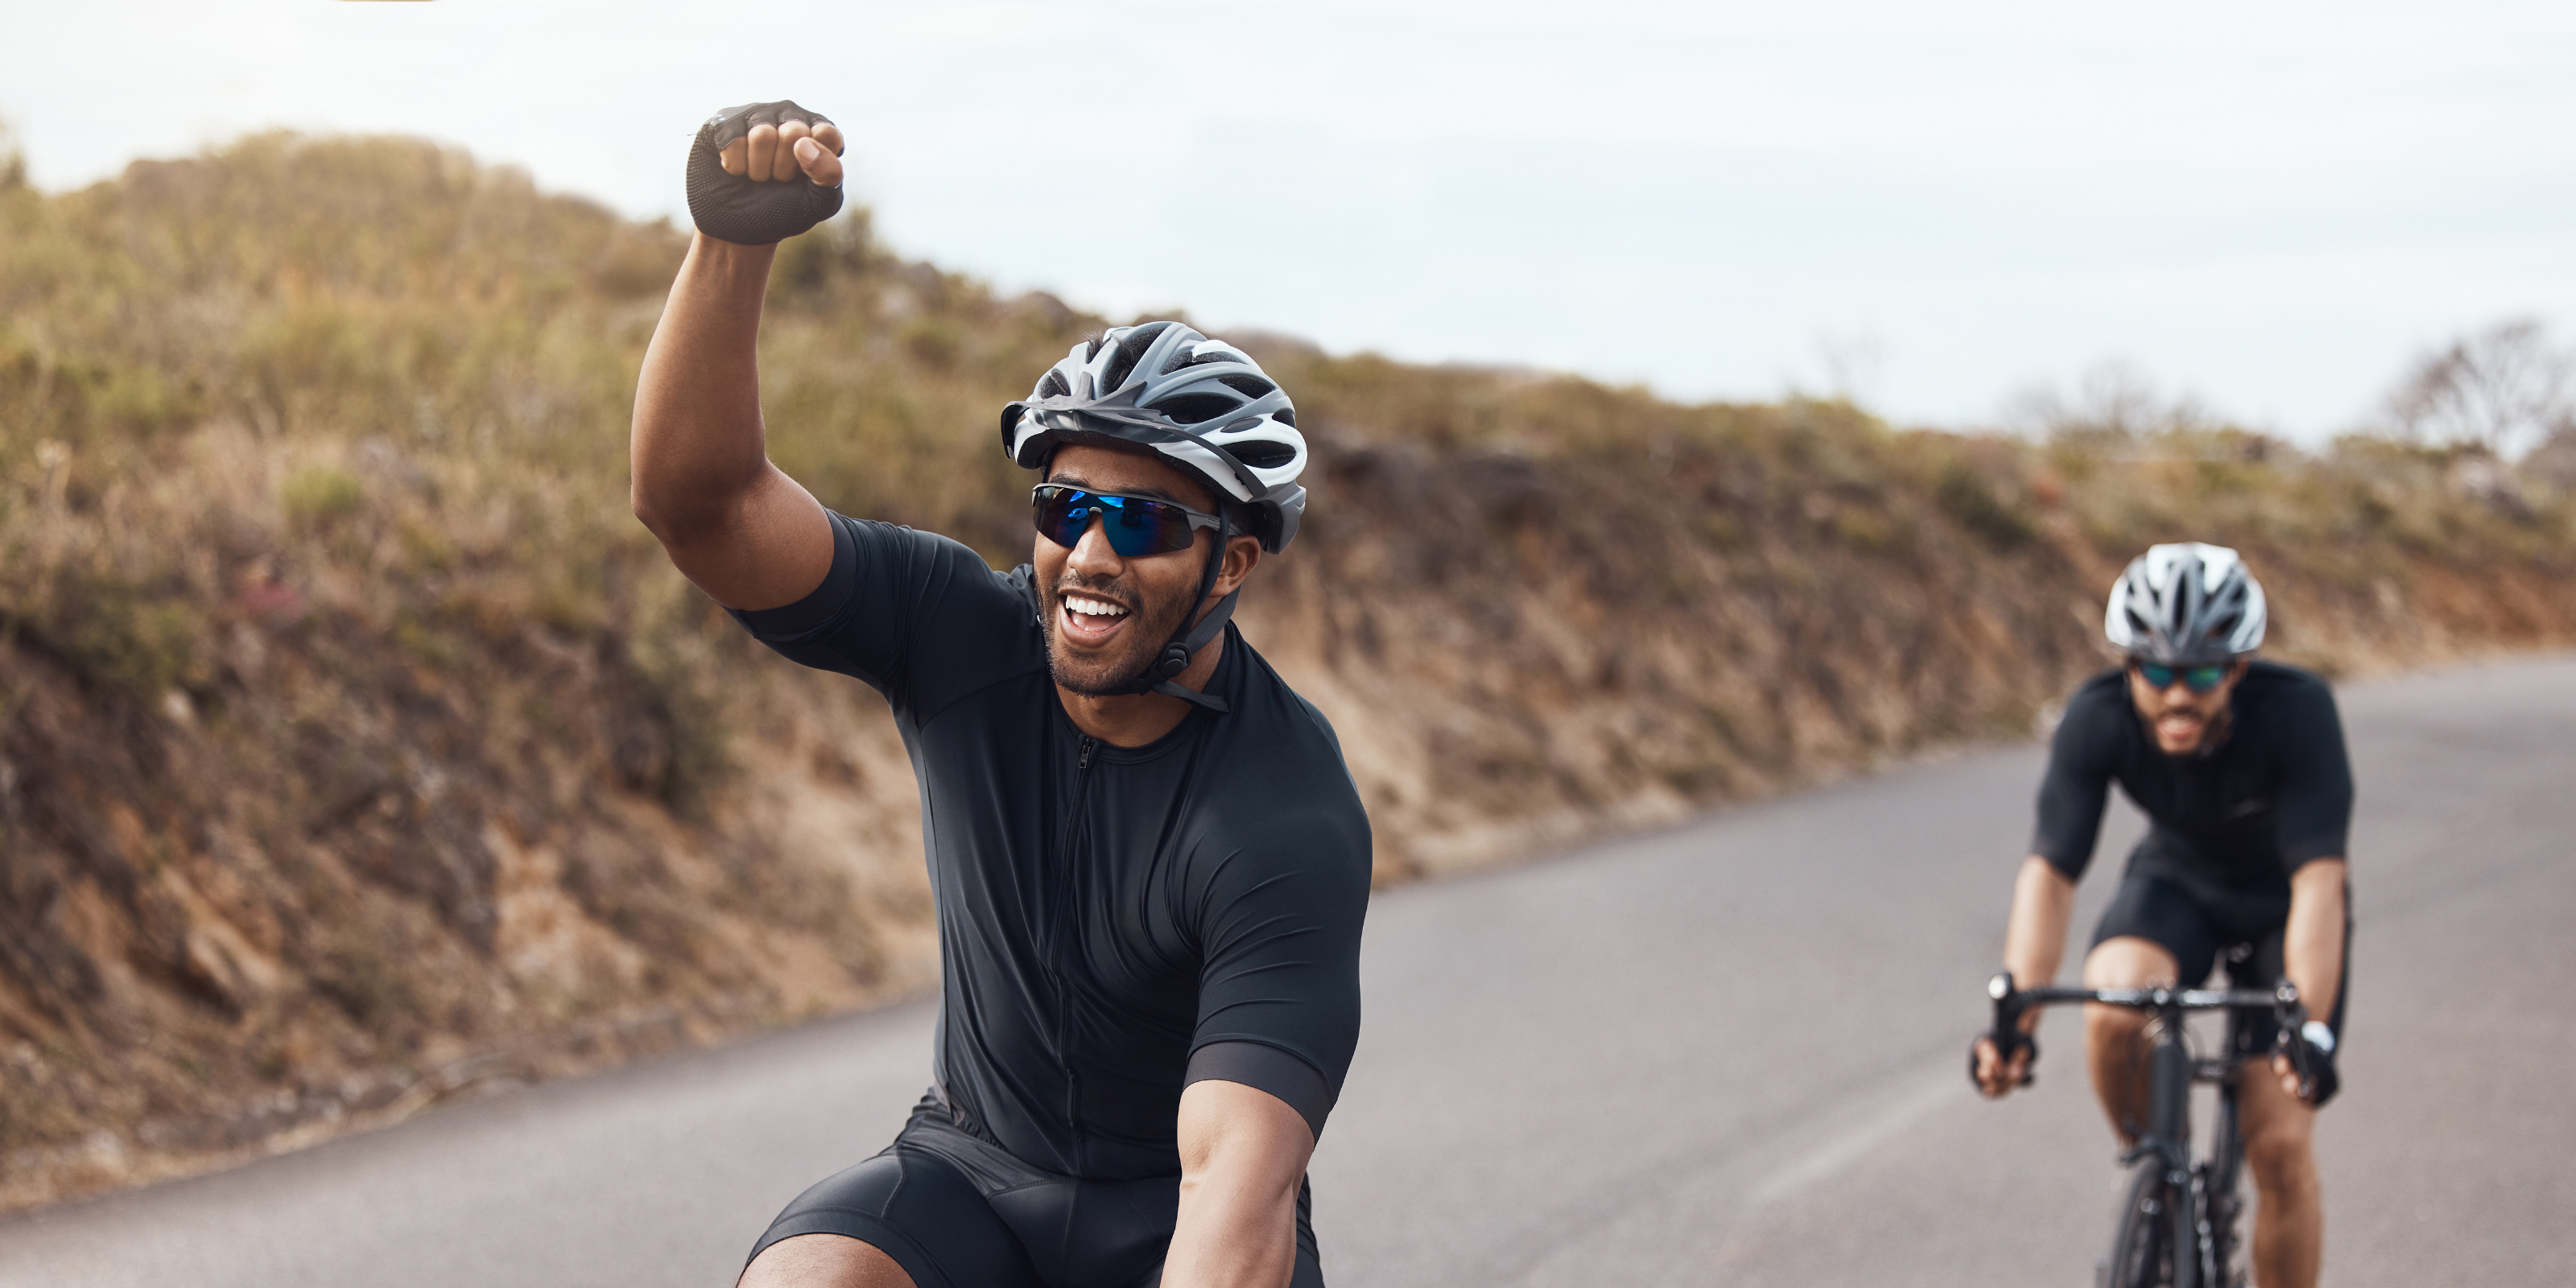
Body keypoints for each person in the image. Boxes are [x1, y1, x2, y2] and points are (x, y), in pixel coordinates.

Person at [630, 101, 1372, 1288]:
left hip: (1171, 1225)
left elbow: (1237, 1184)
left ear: (1231, 564)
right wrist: (732, 245)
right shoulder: (960, 633)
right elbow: (703, 509)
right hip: (972, 1173)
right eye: (1065, 508)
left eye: (1142, 522)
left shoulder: (1283, 810)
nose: (1089, 553)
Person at [1971, 543, 2351, 1288]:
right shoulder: (2096, 718)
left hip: (2284, 910)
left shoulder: (2298, 712)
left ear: (2238, 668)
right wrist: (2016, 1012)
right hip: (2179, 882)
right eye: (2158, 672)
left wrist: (2308, 1024)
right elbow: (2050, 872)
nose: (2180, 694)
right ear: (2128, 666)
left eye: (2204, 672)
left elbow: (2319, 884)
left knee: (2277, 1146)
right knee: (2113, 999)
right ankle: (2160, 1176)